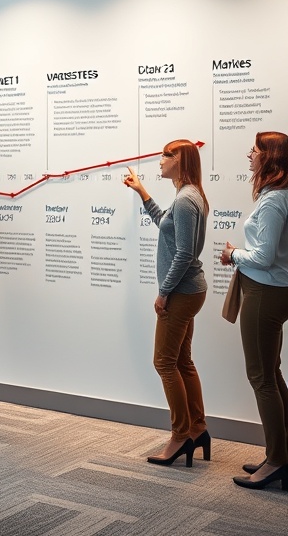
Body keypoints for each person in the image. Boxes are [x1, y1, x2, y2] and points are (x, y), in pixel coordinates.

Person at [124, 139, 209, 467]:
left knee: (164, 362)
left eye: (166, 155)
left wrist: (164, 292)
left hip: (182, 292)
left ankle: (180, 436)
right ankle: (198, 429)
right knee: (182, 362)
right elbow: (166, 227)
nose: (160, 160)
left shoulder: (187, 199)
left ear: (181, 160)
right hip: (189, 290)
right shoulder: (188, 196)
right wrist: (143, 193)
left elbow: (185, 253)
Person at [220, 132, 288, 491]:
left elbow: (262, 257)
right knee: (271, 373)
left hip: (265, 291)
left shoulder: (275, 201)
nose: (251, 155)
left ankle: (277, 460)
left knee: (260, 376)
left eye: (257, 150)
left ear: (272, 159)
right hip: (270, 289)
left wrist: (233, 254)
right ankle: (281, 453)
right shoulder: (275, 197)